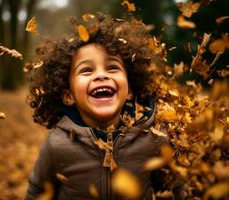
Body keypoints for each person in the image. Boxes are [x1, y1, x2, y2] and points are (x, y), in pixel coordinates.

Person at [25, 13, 184, 200]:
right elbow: (38, 192)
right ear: (68, 96)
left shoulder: (152, 138)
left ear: (130, 90)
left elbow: (177, 186)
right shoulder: (57, 146)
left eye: (112, 68)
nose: (101, 75)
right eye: (86, 70)